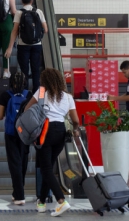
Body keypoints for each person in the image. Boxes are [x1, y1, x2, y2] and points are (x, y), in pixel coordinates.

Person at [23, 68, 79, 216]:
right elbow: (76, 120)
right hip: (60, 132)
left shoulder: (42, 93)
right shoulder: (68, 97)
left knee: (46, 169)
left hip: (45, 131)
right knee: (47, 167)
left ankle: (61, 201)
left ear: (44, 81)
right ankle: (41, 202)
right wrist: (76, 129)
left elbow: (27, 110)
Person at [0, 72, 30, 205]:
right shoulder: (29, 95)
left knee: (14, 163)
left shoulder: (5, 95)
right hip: (25, 134)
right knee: (23, 162)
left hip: (11, 133)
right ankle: (17, 192)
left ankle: (19, 196)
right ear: (24, 82)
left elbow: (0, 116)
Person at [4, 0, 48, 91]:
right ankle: (36, 93)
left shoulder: (19, 13)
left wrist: (10, 47)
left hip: (23, 45)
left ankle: (25, 93)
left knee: (24, 70)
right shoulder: (39, 11)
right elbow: (45, 29)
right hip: (37, 45)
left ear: (21, 1)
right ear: (32, 1)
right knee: (36, 70)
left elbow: (15, 31)